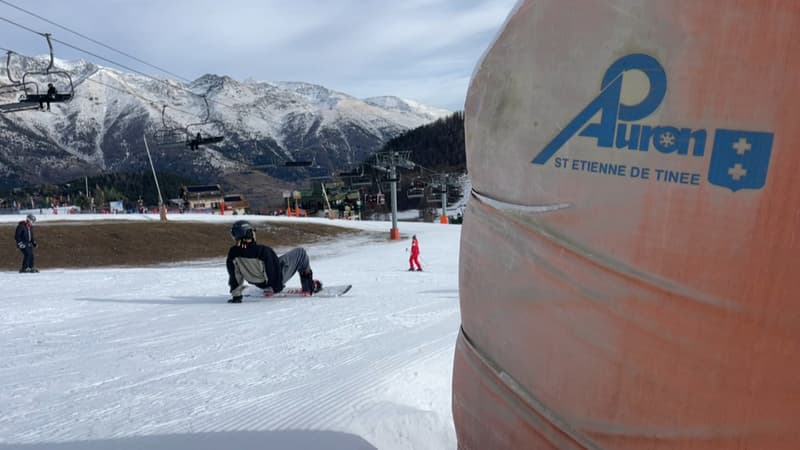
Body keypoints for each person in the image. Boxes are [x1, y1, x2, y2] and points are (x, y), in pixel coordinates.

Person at [226, 220, 322, 302]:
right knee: (301, 253)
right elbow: (272, 270)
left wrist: (236, 296)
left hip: (260, 284)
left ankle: (270, 288)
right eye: (253, 231)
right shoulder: (263, 251)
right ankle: (309, 287)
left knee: (278, 261)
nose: (254, 233)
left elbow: (235, 276)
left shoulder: (233, 254)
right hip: (273, 283)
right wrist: (276, 289)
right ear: (249, 233)